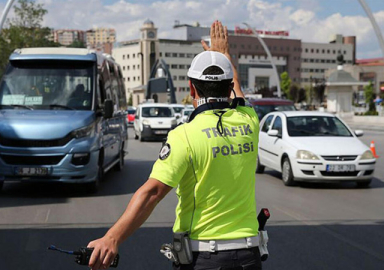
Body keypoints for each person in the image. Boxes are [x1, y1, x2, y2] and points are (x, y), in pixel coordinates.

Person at [87, 21, 261, 270]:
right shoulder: (249, 120)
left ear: (191, 88)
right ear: (229, 87)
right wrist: (223, 56)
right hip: (249, 257)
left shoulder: (185, 135)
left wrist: (112, 238)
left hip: (205, 259)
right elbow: (238, 92)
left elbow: (153, 193)